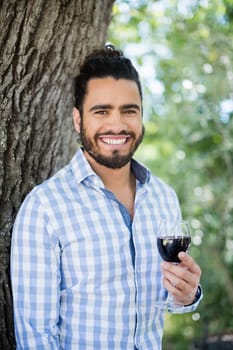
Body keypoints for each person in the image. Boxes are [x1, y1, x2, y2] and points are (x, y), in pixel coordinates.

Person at [11, 45, 202, 349]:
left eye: (129, 110)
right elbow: (36, 338)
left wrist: (187, 294)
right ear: (78, 119)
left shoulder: (164, 197)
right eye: (101, 111)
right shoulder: (45, 207)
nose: (117, 124)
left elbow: (166, 298)